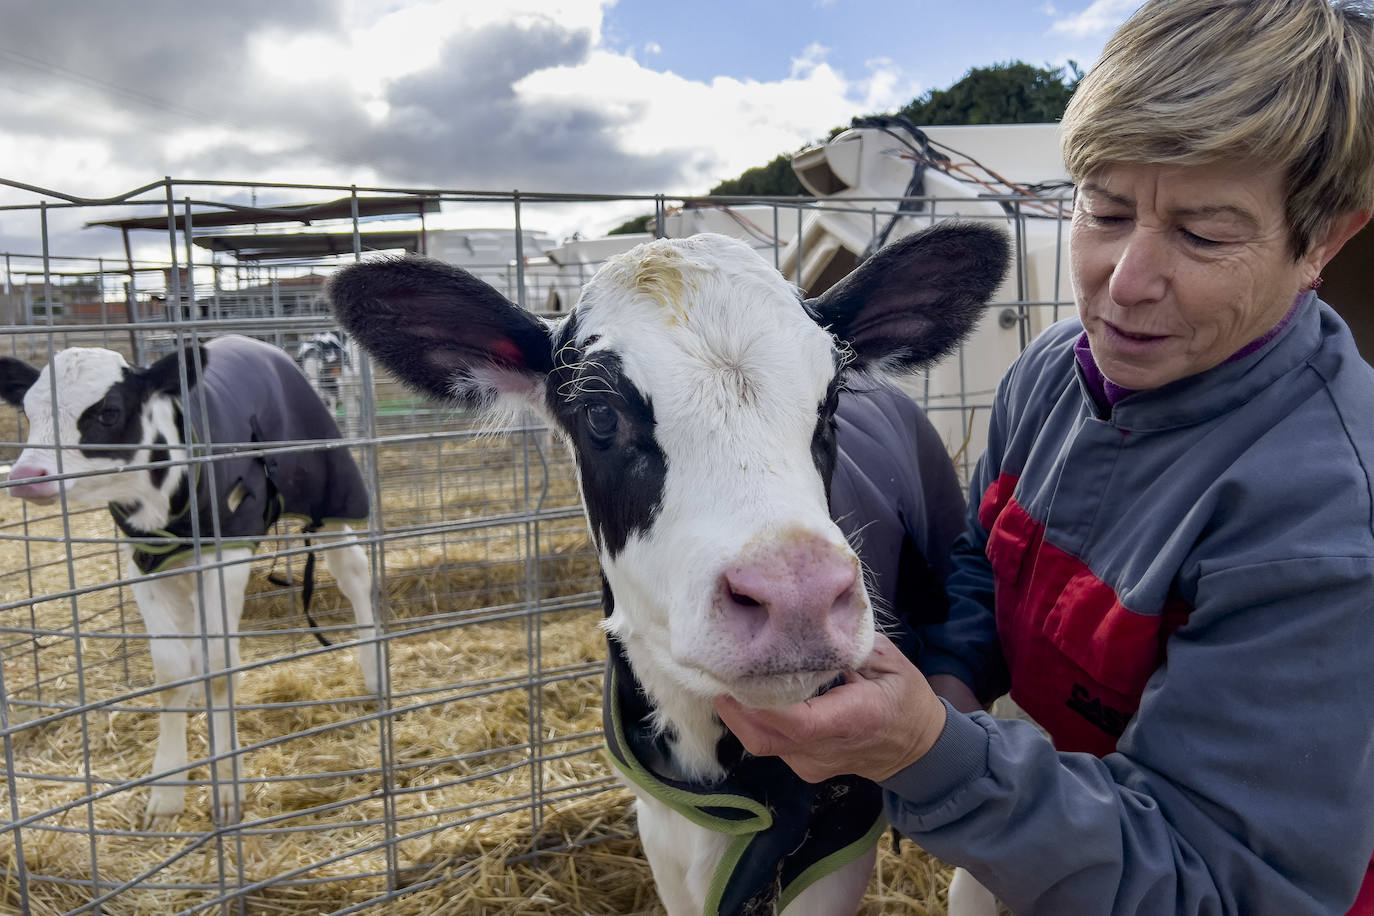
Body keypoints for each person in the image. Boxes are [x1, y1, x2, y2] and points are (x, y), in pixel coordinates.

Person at [714, 1, 1374, 913]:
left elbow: (1229, 885)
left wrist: (926, 753)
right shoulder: (1052, 376)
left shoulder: (1325, 520)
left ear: (1324, 241)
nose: (1125, 281)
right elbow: (985, 563)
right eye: (1102, 211)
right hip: (1070, 819)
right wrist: (944, 691)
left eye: (1204, 234)